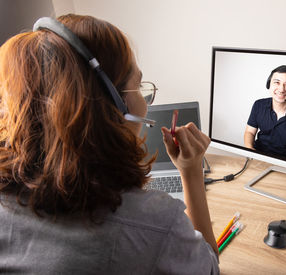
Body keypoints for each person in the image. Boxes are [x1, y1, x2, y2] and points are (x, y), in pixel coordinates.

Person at [0, 14, 219, 274]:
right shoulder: (157, 225)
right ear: (113, 107)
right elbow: (208, 269)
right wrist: (191, 171)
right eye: (138, 86)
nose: (145, 102)